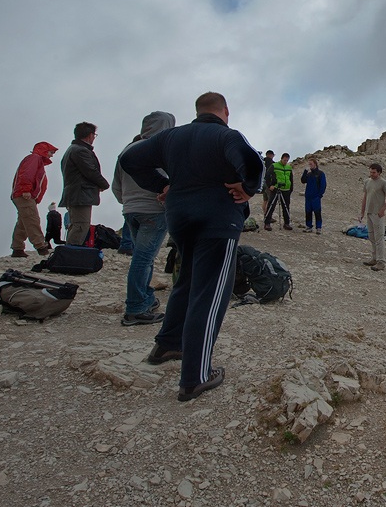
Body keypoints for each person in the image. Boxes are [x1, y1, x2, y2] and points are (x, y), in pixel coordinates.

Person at [119, 92, 263, 402]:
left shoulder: (172, 137)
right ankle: (195, 376)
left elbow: (129, 160)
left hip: (180, 219)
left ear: (197, 111)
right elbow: (252, 163)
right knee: (210, 292)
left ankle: (169, 343)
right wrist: (248, 188)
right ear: (225, 111)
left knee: (187, 280)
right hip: (218, 220)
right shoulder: (226, 135)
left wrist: (162, 185)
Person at [112, 111, 176, 327]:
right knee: (144, 259)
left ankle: (146, 298)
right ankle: (136, 308)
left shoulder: (127, 149)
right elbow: (170, 180)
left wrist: (128, 202)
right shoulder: (160, 150)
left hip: (130, 210)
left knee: (142, 257)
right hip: (154, 210)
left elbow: (116, 186)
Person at [59, 122, 109, 245]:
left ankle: (69, 254)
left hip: (76, 193)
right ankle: (70, 256)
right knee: (81, 226)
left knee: (76, 225)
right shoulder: (81, 151)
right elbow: (90, 171)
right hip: (81, 194)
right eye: (94, 135)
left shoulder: (73, 149)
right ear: (90, 135)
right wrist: (104, 184)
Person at [9, 141, 58, 258]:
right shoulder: (34, 158)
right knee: (32, 220)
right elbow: (27, 173)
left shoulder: (35, 159)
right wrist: (26, 189)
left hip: (23, 195)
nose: (52, 155)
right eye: (51, 152)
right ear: (44, 151)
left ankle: (17, 248)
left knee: (23, 222)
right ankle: (41, 247)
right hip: (25, 195)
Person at [359, 163, 386, 271]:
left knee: (379, 238)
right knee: (371, 237)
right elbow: (365, 197)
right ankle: (374, 258)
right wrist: (362, 212)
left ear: (379, 172)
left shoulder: (383, 183)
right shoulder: (367, 182)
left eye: (374, 172)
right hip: (369, 213)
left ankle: (381, 262)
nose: (371, 174)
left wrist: (382, 209)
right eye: (370, 172)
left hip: (377, 214)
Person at [264, 152, 294, 231]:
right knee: (271, 205)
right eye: (284, 160)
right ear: (281, 159)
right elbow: (267, 175)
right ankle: (267, 223)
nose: (285, 162)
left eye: (287, 160)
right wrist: (270, 185)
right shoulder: (274, 165)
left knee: (286, 207)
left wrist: (291, 188)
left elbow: (291, 178)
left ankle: (286, 223)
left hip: (286, 190)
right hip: (276, 188)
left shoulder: (289, 167)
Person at [300, 157, 327, 234]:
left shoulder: (320, 174)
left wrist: (319, 195)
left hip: (316, 197)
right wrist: (305, 171)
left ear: (315, 164)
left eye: (311, 164)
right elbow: (303, 180)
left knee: (317, 212)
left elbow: (323, 185)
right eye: (309, 164)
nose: (310, 165)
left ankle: (318, 227)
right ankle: (308, 226)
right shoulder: (309, 174)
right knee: (308, 212)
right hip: (308, 197)